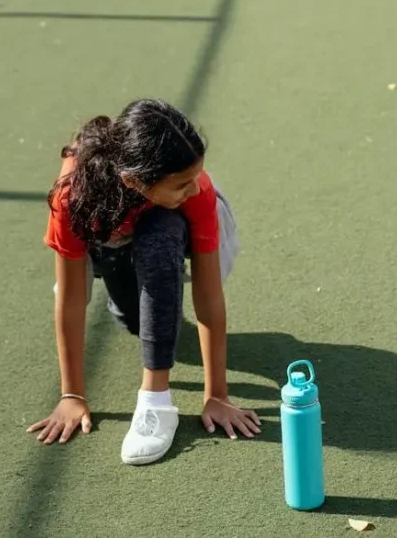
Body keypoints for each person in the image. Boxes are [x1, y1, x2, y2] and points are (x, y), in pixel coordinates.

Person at [27, 98, 260, 466]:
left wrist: (216, 394)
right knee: (134, 320)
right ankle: (127, 276)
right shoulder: (73, 199)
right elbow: (71, 299)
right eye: (182, 184)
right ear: (134, 180)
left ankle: (156, 402)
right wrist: (72, 394)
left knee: (162, 233)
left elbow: (208, 295)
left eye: (194, 177)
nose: (194, 188)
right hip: (109, 235)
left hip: (162, 226)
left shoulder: (197, 192)